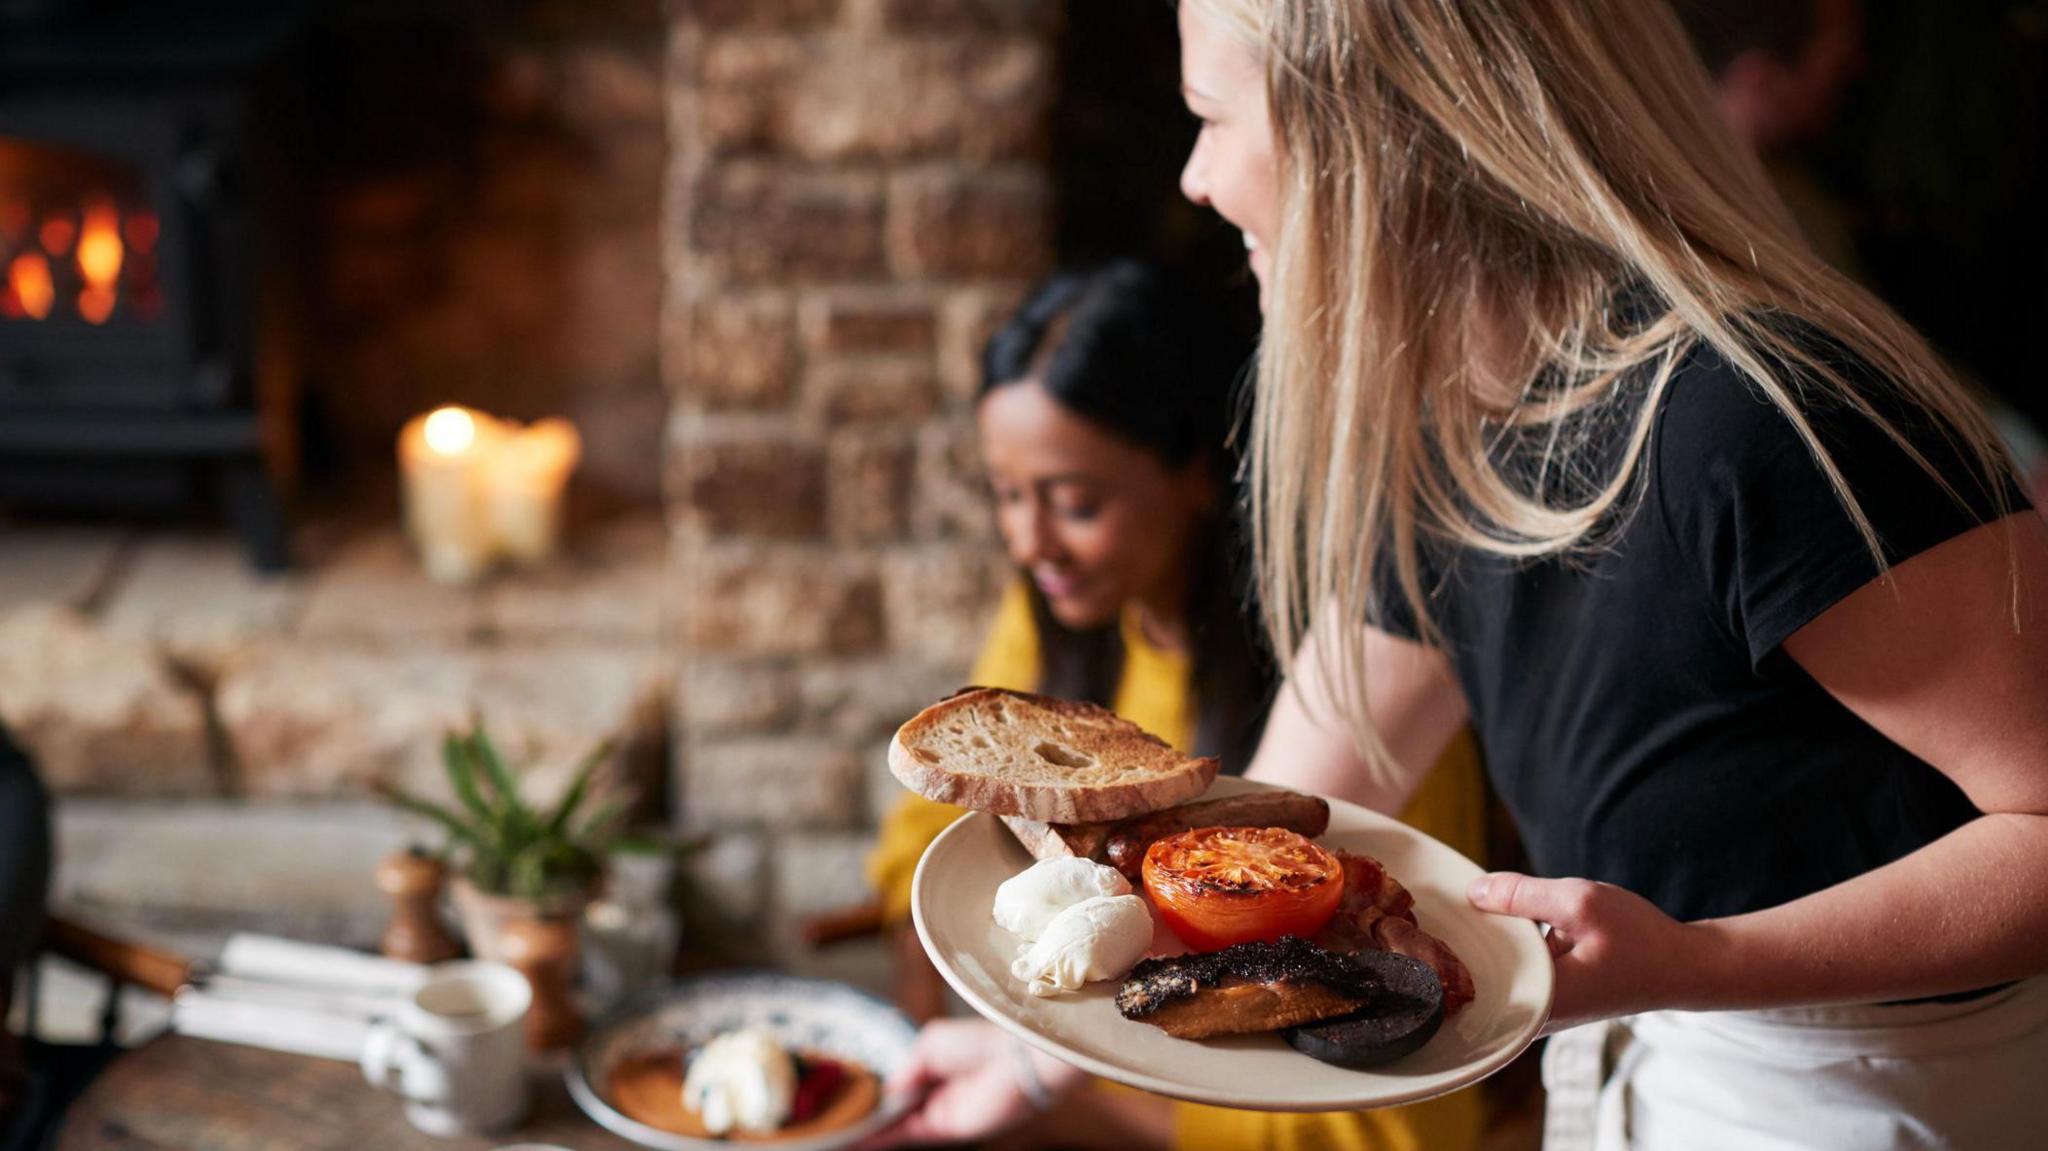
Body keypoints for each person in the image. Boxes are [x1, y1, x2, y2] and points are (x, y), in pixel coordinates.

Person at [865, 3, 2048, 1150]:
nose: (1193, 177)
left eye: (1210, 117)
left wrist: (1703, 961)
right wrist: (1030, 1054)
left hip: (1874, 1101)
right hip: (1654, 1059)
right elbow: (1265, 820)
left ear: (1377, 135)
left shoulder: (1762, 421)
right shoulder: (1453, 432)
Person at [864, 260, 1490, 1151]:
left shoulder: (1348, 689)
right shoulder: (1048, 616)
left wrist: (1042, 1080)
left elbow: (1356, 1103)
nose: (1029, 539)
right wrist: (945, 1023)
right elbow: (917, 843)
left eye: (1075, 501)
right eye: (1007, 494)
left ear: (1200, 472)